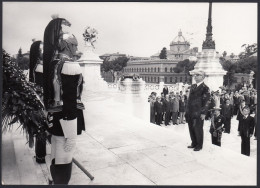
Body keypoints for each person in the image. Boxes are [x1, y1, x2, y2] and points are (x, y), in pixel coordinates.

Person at [44, 16, 85, 185]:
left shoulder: (53, 63)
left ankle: (54, 181)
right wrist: (71, 135)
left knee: (55, 155)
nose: (76, 48)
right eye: (75, 44)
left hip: (54, 119)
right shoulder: (70, 66)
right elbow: (69, 99)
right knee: (64, 160)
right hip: (67, 121)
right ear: (67, 45)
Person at [29, 40, 47, 164]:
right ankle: (41, 155)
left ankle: (40, 154)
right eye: (41, 50)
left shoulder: (36, 65)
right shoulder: (40, 67)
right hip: (42, 101)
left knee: (41, 128)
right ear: (37, 52)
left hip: (40, 99)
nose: (43, 52)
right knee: (41, 127)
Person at [185, 70, 210, 151]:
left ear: (203, 77)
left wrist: (203, 113)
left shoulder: (205, 88)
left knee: (198, 128)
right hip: (190, 112)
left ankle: (199, 145)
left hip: (198, 112)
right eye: (195, 75)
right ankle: (194, 143)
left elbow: (206, 102)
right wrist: (187, 111)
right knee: (191, 128)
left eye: (198, 75)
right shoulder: (192, 86)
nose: (195, 76)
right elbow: (189, 100)